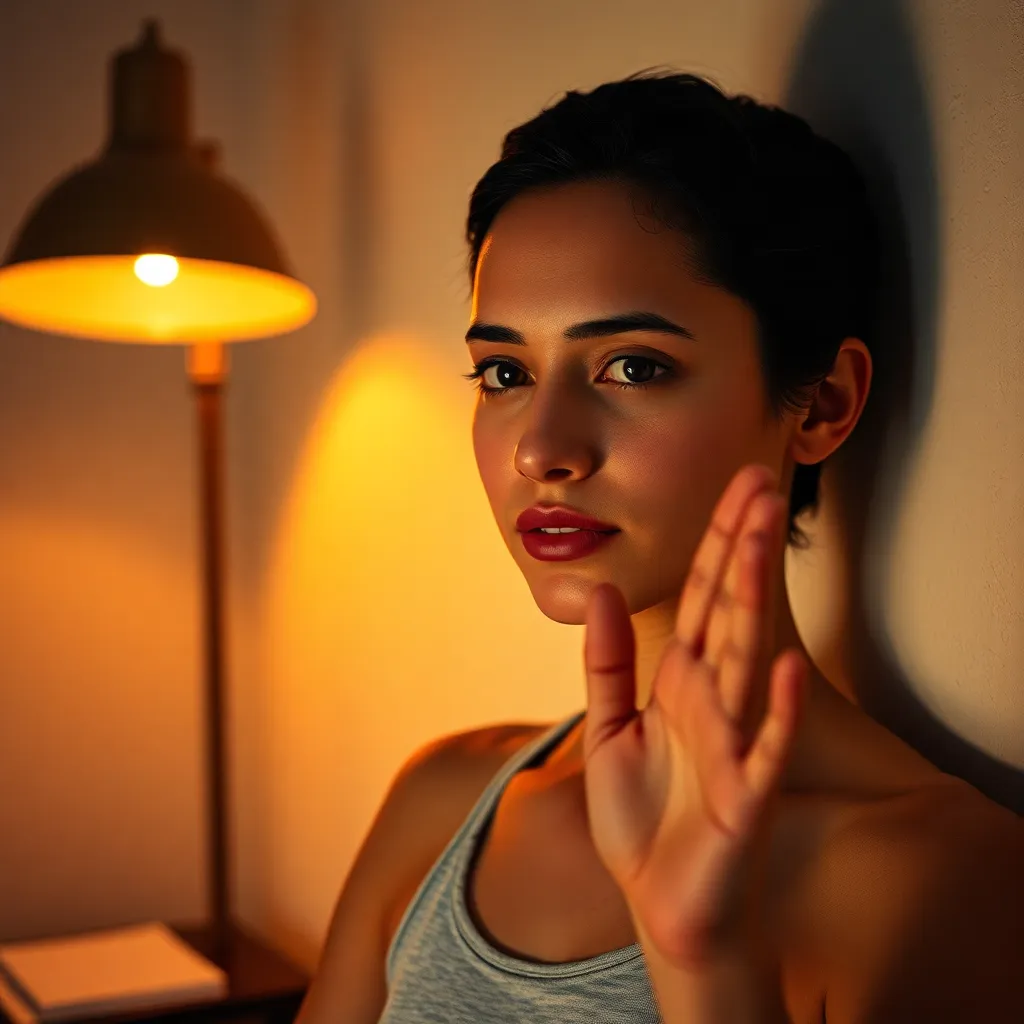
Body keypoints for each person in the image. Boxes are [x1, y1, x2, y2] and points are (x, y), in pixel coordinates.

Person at [294, 69, 1024, 1023]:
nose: (541, 448)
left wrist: (701, 960)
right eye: (504, 371)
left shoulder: (943, 878)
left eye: (632, 366)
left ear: (826, 403)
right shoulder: (442, 800)